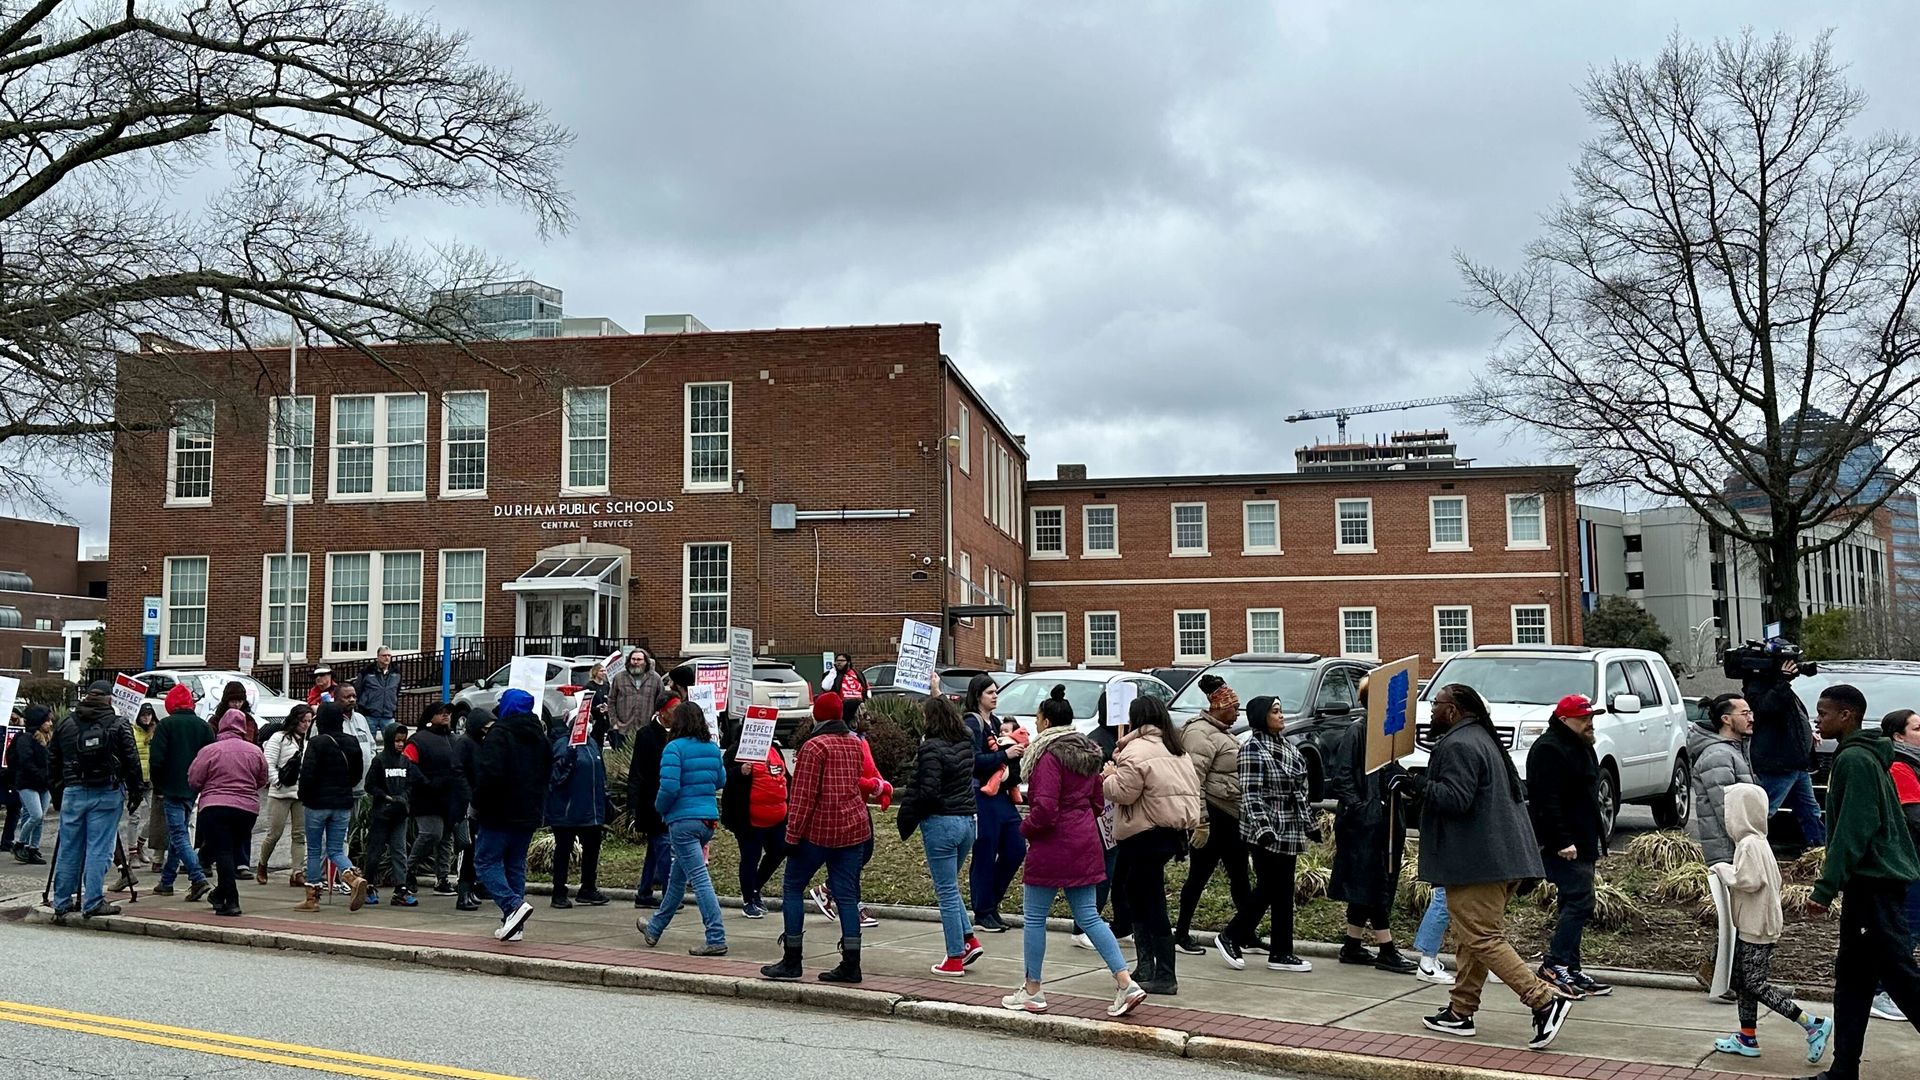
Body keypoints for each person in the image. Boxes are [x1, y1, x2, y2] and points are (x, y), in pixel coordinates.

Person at [1403, 683, 1573, 1051]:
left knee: (1482, 938)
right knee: (1473, 938)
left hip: (1477, 862)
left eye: (1436, 703)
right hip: (1499, 859)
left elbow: (1456, 799)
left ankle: (1544, 1000)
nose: (1431, 710)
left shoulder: (1458, 744)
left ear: (1454, 709)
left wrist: (1417, 784)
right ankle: (1460, 1012)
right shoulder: (1480, 738)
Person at [1001, 685, 1145, 1017]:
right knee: (1089, 916)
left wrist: (1025, 828)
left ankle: (1033, 990)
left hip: (1052, 844)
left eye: (1038, 718)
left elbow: (1045, 810)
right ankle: (1125, 982)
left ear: (1046, 721)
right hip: (1085, 840)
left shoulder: (1048, 757)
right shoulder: (1088, 753)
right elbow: (1097, 800)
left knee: (1035, 917)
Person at [1801, 683, 1920, 1080]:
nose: (1818, 720)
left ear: (1846, 715)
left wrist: (1825, 887)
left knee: (1901, 979)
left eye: (1824, 713)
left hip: (1875, 886)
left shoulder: (1854, 759)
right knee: (1853, 981)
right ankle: (1843, 1070)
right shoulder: (1862, 755)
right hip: (1869, 886)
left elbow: (1854, 828)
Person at [1708, 782, 1834, 1064]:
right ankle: (1747, 1037)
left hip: (1756, 927)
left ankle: (1811, 1023)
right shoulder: (1758, 841)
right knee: (1744, 982)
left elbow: (1749, 880)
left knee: (1754, 984)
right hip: (1757, 924)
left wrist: (1722, 870)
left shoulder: (1749, 845)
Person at [762, 687, 870, 984]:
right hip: (853, 828)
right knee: (847, 895)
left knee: (793, 886)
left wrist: (791, 836)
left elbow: (803, 796)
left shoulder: (814, 747)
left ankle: (792, 958)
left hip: (818, 831)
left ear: (816, 717)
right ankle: (851, 963)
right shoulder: (855, 742)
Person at [1103, 695, 1204, 996]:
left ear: (1136, 719)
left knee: (1149, 899)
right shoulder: (1175, 748)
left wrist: (1109, 777)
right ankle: (1147, 967)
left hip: (1143, 833)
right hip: (1171, 833)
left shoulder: (1135, 750)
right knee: (1139, 893)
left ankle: (1163, 973)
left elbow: (1124, 792)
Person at [1325, 677, 1420, 976]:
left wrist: (1406, 783)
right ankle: (1386, 948)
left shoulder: (1386, 734)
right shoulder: (1359, 730)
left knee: (1370, 882)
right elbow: (1342, 777)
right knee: (1375, 882)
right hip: (1364, 824)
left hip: (1385, 820)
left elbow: (1388, 772)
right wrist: (1362, 808)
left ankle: (1352, 944)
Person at [1526, 694, 1612, 999]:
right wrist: (1561, 840)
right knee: (1580, 901)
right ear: (1564, 720)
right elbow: (1546, 800)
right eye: (1583, 718)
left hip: (1584, 838)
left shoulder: (1582, 744)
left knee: (1574, 901)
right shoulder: (1549, 749)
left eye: (1591, 717)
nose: (1590, 723)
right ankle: (1555, 964)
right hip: (1565, 842)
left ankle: (1571, 968)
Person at [1226, 695, 1315, 973]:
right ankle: (1231, 935)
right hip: (1264, 829)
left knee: (1283, 891)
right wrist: (1263, 829)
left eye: (1280, 710)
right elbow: (1251, 794)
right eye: (1275, 711)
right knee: (1269, 887)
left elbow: (1301, 791)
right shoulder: (1252, 749)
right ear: (1261, 716)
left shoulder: (1288, 747)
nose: (1281, 715)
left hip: (1289, 828)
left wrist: (1310, 824)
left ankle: (1281, 952)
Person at [1174, 677, 1260, 959]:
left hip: (1231, 815)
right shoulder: (1199, 734)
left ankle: (1246, 934)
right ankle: (1181, 934)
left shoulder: (1221, 732)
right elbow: (1193, 780)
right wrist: (1200, 821)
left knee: (1240, 876)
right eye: (1234, 708)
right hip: (1213, 815)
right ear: (1220, 707)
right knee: (1199, 877)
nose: (1237, 713)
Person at [47, 682, 141, 920]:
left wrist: (57, 793)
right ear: (110, 699)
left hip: (73, 790)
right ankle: (93, 901)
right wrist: (135, 792)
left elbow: (53, 760)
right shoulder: (118, 723)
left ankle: (62, 901)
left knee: (69, 848)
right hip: (107, 791)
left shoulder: (66, 723)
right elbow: (132, 760)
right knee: (98, 848)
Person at [639, 702, 728, 955]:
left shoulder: (674, 748)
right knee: (677, 879)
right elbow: (721, 780)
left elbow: (669, 787)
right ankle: (654, 928)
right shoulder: (712, 748)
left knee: (699, 879)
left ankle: (716, 937)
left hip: (682, 821)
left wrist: (660, 808)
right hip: (707, 820)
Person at [906, 695, 986, 975]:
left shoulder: (930, 748)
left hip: (942, 822)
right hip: (968, 821)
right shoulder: (965, 742)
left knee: (946, 890)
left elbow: (928, 791)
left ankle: (954, 957)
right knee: (951, 885)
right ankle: (968, 939)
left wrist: (916, 811)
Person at [471, 688, 551, 942]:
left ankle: (512, 906)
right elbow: (547, 773)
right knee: (515, 864)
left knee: (485, 862)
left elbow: (489, 774)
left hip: (498, 811)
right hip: (528, 812)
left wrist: (477, 804)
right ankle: (514, 925)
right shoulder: (540, 736)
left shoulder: (499, 733)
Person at [187, 708, 268, 917]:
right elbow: (262, 779)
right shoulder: (255, 751)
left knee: (222, 851)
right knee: (229, 850)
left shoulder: (210, 750)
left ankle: (231, 900)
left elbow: (194, 779)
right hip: (246, 809)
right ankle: (219, 894)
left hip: (215, 806)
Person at [964, 673, 1025, 933]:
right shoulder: (971, 723)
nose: (995, 696)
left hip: (1001, 795)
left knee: (1016, 848)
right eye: (990, 692)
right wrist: (1005, 754)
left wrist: (1014, 757)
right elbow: (973, 761)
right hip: (981, 795)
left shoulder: (997, 722)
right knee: (985, 853)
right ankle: (983, 911)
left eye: (996, 691)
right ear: (978, 695)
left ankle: (991, 903)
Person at [295, 702, 369, 912]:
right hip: (342, 802)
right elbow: (357, 774)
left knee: (314, 849)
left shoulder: (317, 743)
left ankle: (312, 899)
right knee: (336, 849)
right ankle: (352, 877)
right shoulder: (352, 741)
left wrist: (304, 796)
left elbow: (307, 774)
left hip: (317, 803)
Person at [1744, 657, 1825, 849]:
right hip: (1779, 764)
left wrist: (1807, 733)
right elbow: (1765, 709)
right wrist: (1783, 681)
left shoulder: (1782, 688)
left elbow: (1792, 720)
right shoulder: (1759, 687)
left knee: (1810, 811)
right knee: (1765, 810)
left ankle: (1819, 851)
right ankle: (1748, 849)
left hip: (1797, 763)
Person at [148, 682, 213, 900]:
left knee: (178, 835)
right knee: (180, 833)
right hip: (193, 788)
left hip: (171, 787)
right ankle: (167, 880)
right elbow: (209, 759)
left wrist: (158, 786)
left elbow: (156, 760)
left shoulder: (165, 725)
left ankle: (198, 877)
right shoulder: (204, 727)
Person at [721, 715, 789, 920]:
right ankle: (748, 900)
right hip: (749, 818)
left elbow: (785, 776)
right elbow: (723, 776)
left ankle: (755, 887)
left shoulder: (775, 749)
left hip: (777, 816)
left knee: (779, 850)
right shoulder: (737, 750)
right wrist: (740, 772)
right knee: (751, 857)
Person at [1876, 708, 1920, 1021]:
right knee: (1908, 927)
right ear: (1898, 736)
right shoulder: (1899, 767)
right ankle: (1882, 992)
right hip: (1910, 863)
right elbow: (1914, 817)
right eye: (1917, 729)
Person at [629, 667, 683, 907]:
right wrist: (633, 803)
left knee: (655, 849)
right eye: (674, 710)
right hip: (652, 802)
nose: (678, 714)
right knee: (664, 849)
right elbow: (637, 770)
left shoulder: (680, 735)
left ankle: (644, 893)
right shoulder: (647, 735)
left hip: (672, 800)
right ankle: (670, 896)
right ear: (662, 711)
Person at [547, 703, 611, 909]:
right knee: (563, 851)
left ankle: (588, 888)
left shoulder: (592, 744)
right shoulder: (563, 744)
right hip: (567, 810)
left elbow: (600, 774)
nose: (588, 724)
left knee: (592, 849)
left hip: (591, 810)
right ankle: (559, 892)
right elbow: (556, 776)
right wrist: (570, 756)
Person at [1691, 694, 1757, 868]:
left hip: (1739, 849)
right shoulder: (1718, 755)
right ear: (1726, 719)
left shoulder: (1735, 750)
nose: (1751, 719)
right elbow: (1726, 808)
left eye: (1751, 713)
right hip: (1729, 853)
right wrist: (1747, 844)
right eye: (1745, 714)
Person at [363, 722, 422, 908]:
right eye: (397, 741)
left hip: (400, 814)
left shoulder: (405, 762)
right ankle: (369, 885)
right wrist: (386, 796)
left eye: (403, 741)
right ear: (390, 740)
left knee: (399, 851)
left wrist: (404, 798)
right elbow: (369, 785)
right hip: (382, 814)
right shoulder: (379, 761)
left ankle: (401, 888)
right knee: (375, 851)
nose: (400, 744)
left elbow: (411, 784)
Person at [403, 701, 459, 897]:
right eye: (441, 712)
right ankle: (407, 871)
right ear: (430, 716)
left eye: (448, 713)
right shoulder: (418, 740)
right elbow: (408, 764)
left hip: (449, 798)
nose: (446, 715)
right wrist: (426, 783)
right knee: (432, 833)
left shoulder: (454, 739)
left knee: (446, 838)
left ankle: (442, 878)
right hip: (425, 798)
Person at [259, 704, 309, 887]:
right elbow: (268, 763)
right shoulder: (279, 738)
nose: (306, 725)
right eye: (303, 721)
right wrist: (277, 781)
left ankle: (297, 872)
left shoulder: (309, 741)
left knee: (299, 835)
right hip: (280, 793)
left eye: (309, 721)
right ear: (295, 720)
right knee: (274, 833)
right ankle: (262, 864)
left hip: (301, 793)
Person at [451, 704, 490, 911]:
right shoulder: (464, 743)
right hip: (465, 805)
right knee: (466, 848)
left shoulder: (481, 744)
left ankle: (472, 887)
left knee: (475, 848)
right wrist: (468, 796)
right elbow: (457, 771)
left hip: (477, 803)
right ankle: (463, 890)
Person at [8, 707, 52, 864]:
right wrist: (43, 775)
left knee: (40, 818)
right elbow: (26, 762)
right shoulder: (25, 739)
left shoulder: (48, 737)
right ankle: (20, 843)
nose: (50, 723)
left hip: (44, 784)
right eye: (47, 720)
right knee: (36, 815)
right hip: (27, 782)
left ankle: (33, 848)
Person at [121, 703, 157, 870]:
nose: (146, 718)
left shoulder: (155, 731)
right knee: (134, 817)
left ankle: (141, 844)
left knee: (154, 816)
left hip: (151, 780)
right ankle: (133, 852)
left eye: (149, 714)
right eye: (143, 715)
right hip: (135, 780)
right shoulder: (131, 731)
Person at [608, 648, 662, 751]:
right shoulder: (619, 678)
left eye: (639, 659)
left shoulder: (656, 678)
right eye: (633, 659)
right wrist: (614, 722)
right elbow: (611, 700)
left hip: (646, 729)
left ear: (646, 662)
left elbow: (661, 701)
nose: (636, 662)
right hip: (623, 729)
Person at [334, 683, 377, 809]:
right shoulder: (330, 720)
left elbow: (372, 745)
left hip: (363, 788)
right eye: (347, 697)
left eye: (354, 696)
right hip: (341, 791)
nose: (352, 700)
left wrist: (370, 761)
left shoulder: (361, 719)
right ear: (336, 699)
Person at [354, 647, 403, 736]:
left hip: (388, 714)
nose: (387, 658)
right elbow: (358, 689)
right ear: (378, 656)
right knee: (369, 740)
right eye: (384, 655)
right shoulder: (367, 671)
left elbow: (397, 690)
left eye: (389, 655)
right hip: (370, 714)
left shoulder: (396, 672)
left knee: (390, 740)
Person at [822, 653, 868, 730]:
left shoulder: (857, 674)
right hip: (843, 704)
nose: (838, 663)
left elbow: (865, 686)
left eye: (841, 661)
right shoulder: (832, 674)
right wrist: (832, 672)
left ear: (848, 662)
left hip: (858, 703)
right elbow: (825, 687)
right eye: (837, 661)